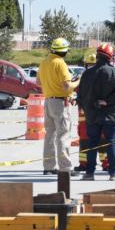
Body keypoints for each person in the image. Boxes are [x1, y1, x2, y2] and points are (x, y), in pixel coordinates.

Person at [77, 43, 115, 181]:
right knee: (111, 143)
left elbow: (80, 95)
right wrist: (107, 101)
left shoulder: (87, 74)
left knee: (92, 143)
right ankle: (113, 173)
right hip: (110, 115)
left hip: (92, 115)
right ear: (110, 57)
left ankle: (89, 173)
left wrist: (86, 108)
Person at [36, 38, 79, 176]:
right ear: (64, 51)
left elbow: (38, 82)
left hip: (48, 101)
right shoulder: (60, 63)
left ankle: (48, 167)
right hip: (60, 103)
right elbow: (67, 86)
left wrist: (51, 86)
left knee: (49, 135)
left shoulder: (44, 62)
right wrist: (77, 82)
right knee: (63, 134)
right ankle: (65, 168)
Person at [75, 53, 109, 173]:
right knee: (85, 141)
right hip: (86, 115)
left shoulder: (99, 77)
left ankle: (106, 163)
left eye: (92, 64)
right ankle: (84, 163)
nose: (90, 67)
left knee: (101, 140)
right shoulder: (83, 77)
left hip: (94, 114)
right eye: (89, 65)